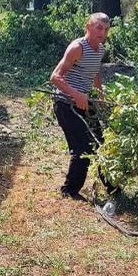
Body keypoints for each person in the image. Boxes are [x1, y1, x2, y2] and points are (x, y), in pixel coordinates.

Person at [50, 13, 111, 200]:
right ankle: (69, 191)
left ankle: (113, 188)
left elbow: (95, 72)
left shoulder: (100, 49)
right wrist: (76, 94)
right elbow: (55, 77)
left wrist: (100, 96)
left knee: (103, 145)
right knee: (82, 148)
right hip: (66, 104)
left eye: (106, 29)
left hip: (85, 102)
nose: (103, 32)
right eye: (99, 27)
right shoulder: (77, 48)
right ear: (88, 26)